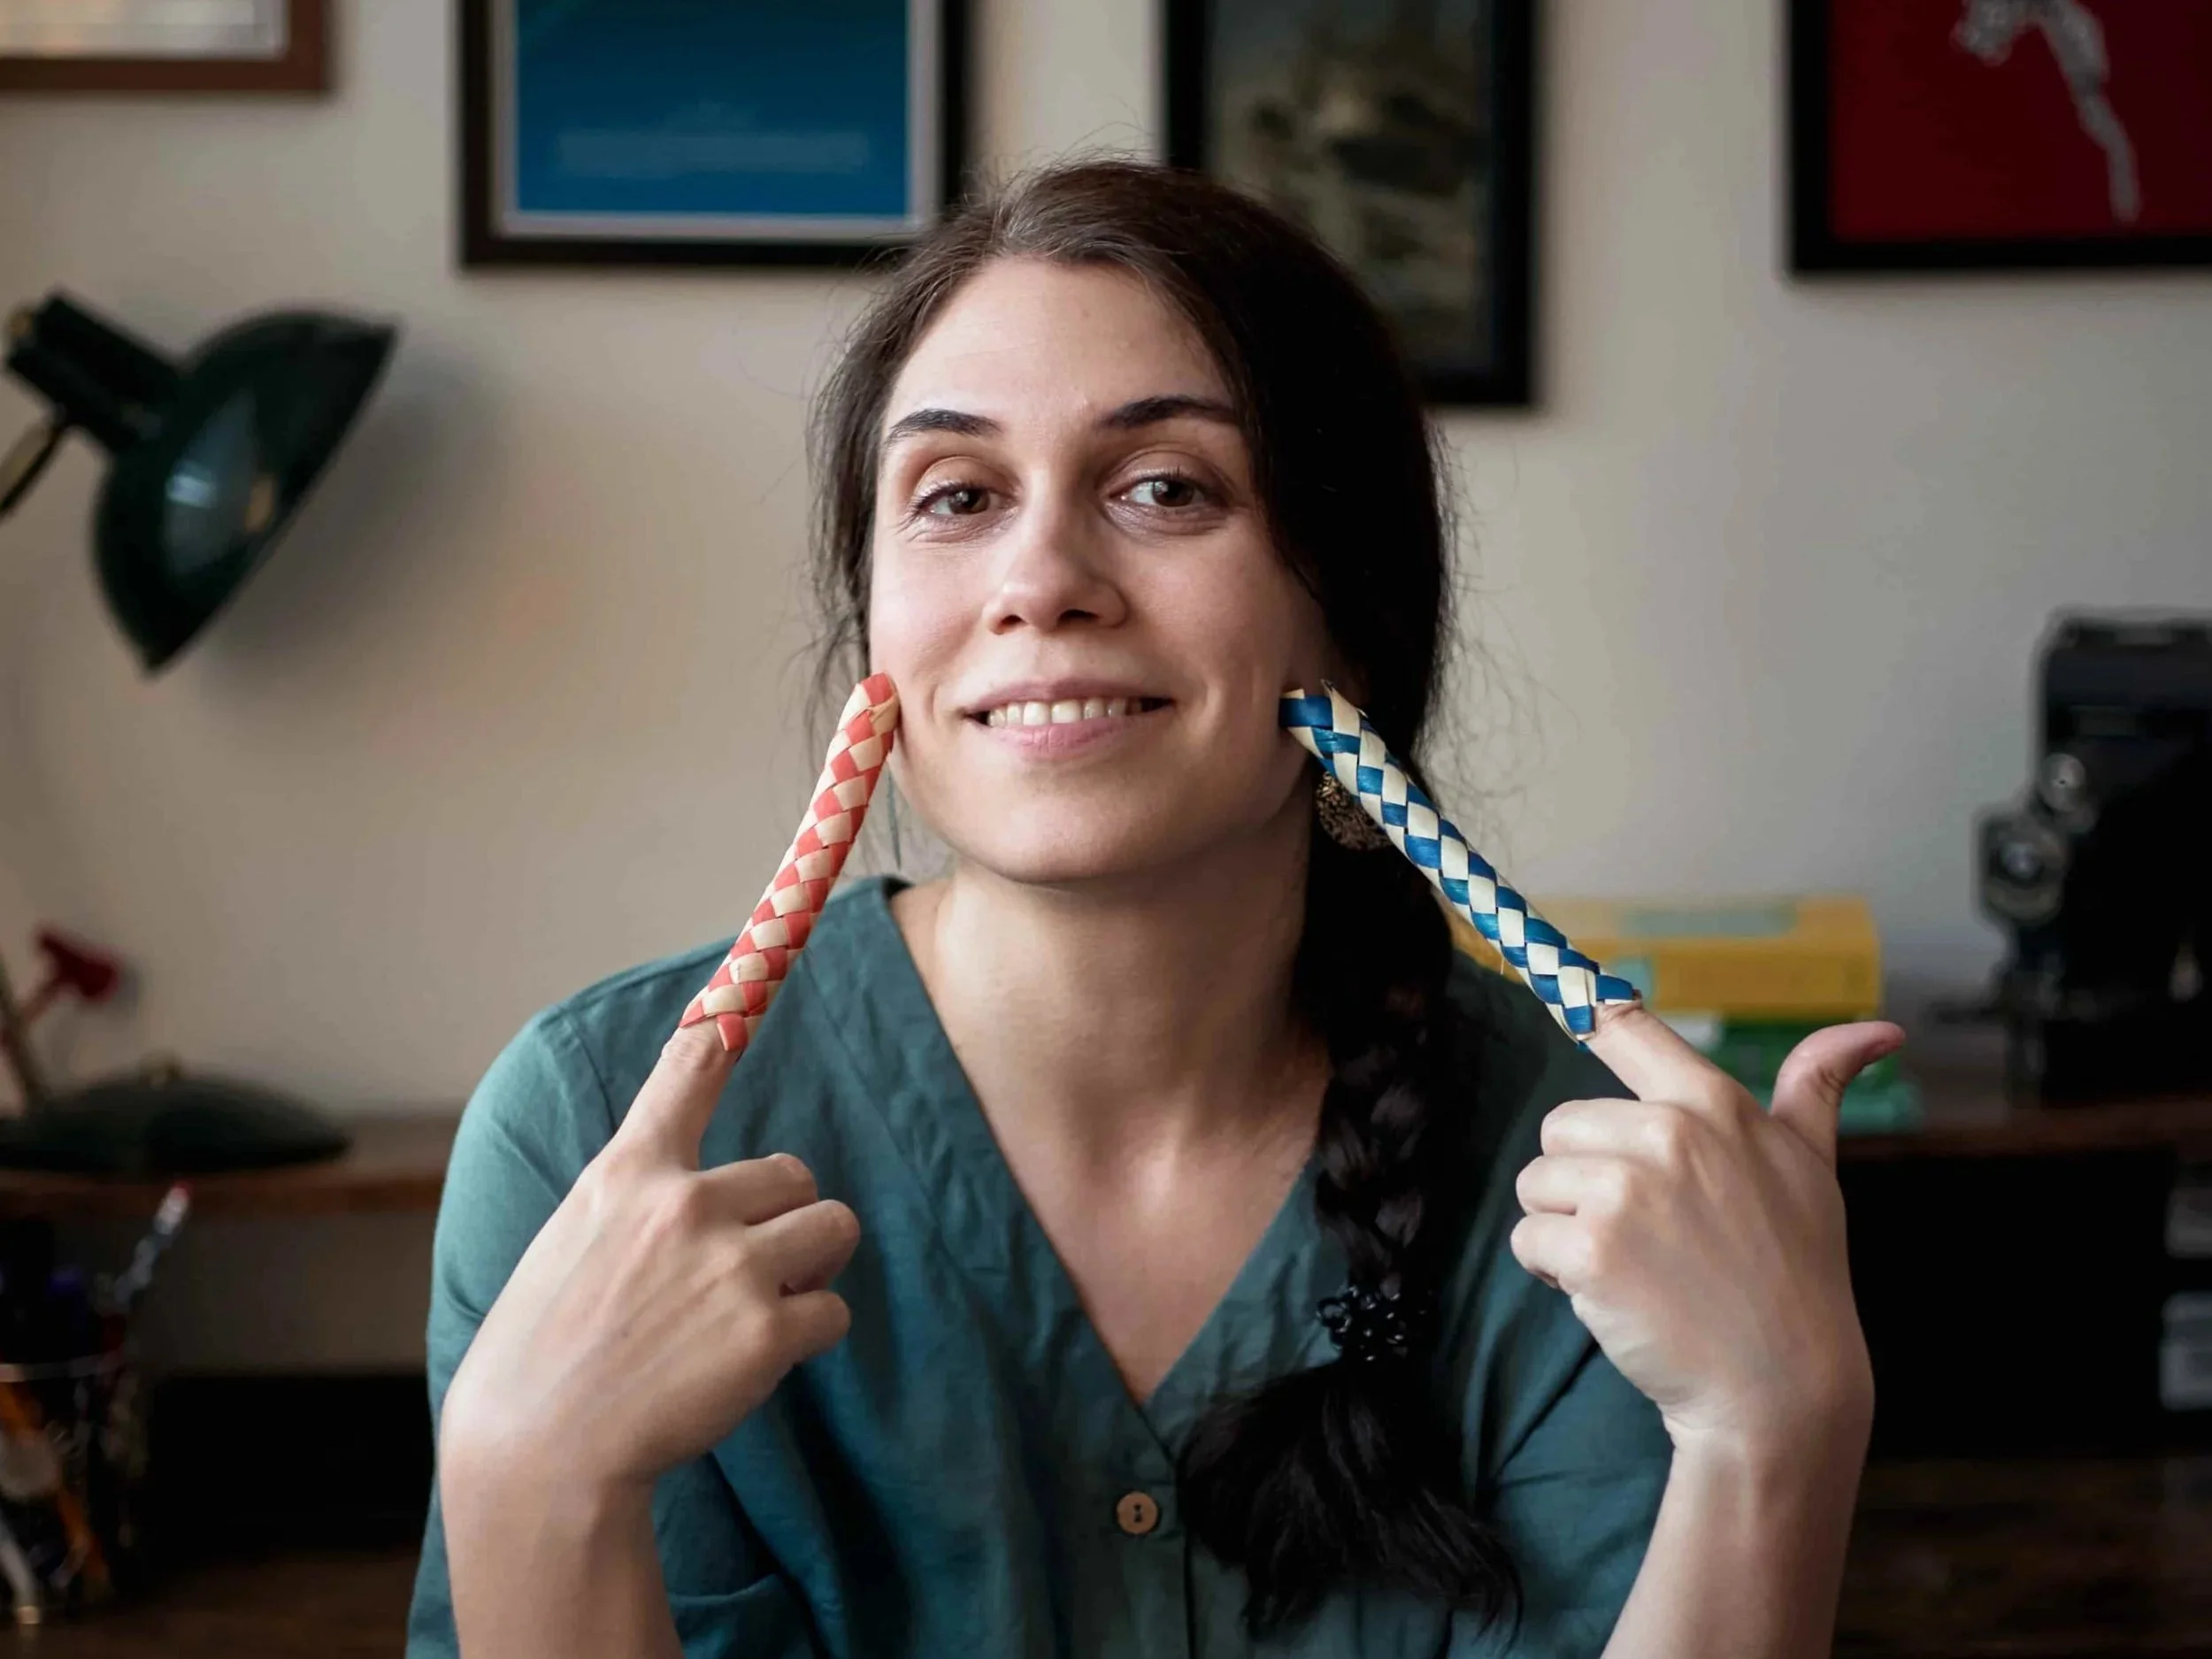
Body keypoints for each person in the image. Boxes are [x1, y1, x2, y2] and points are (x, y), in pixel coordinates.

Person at [406, 160, 1897, 1659]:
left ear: (1351, 622)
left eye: (1167, 487)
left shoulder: (1605, 1192)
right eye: (958, 496)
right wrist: (532, 1482)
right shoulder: (578, 1137)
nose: (1041, 579)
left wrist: (1775, 1435)